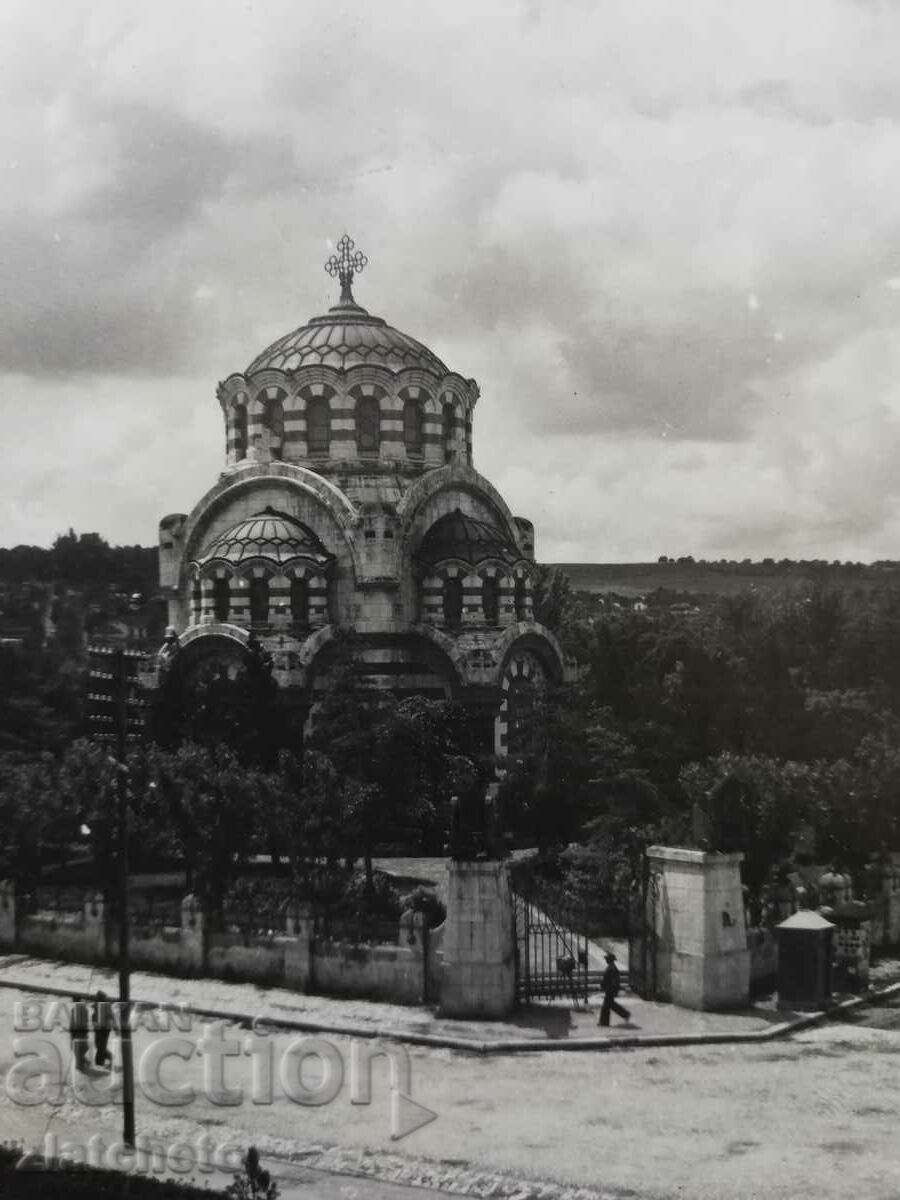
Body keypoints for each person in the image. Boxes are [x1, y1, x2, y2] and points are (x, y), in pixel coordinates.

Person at [598, 952, 631, 1027]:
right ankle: (625, 1014)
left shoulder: (612, 968)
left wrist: (609, 989)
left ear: (610, 960)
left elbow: (613, 981)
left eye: (607, 959)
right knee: (611, 1005)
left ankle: (604, 1023)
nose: (606, 960)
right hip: (610, 989)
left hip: (610, 990)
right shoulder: (611, 967)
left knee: (606, 1006)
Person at [92, 990, 113, 1069]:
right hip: (99, 1028)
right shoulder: (98, 1005)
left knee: (101, 1046)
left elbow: (110, 1016)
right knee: (98, 1045)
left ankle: (101, 1062)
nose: (96, 998)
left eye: (98, 997)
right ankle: (101, 1062)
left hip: (104, 1029)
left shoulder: (106, 1006)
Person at [69, 994, 90, 1072]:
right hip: (83, 1031)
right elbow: (86, 1021)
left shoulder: (74, 1010)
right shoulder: (85, 1009)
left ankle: (81, 1064)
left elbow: (72, 1023)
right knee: (82, 1048)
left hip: (77, 1032)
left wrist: (72, 1032)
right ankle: (83, 1062)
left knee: (77, 1048)